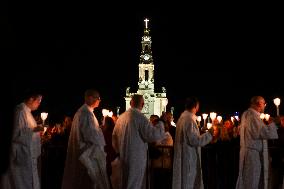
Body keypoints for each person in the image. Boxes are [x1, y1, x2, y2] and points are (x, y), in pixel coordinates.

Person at [112, 94, 166, 189]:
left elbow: (114, 138)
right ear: (143, 104)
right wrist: (161, 122)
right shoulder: (140, 117)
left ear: (130, 103)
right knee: (134, 184)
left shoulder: (121, 118)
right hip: (136, 158)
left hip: (123, 157)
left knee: (124, 183)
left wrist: (119, 152)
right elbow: (153, 135)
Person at [61, 89, 110, 189]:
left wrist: (99, 129)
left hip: (87, 153)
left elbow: (90, 131)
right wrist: (102, 130)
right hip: (87, 156)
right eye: (98, 98)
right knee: (88, 182)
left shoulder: (87, 112)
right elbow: (90, 136)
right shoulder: (85, 113)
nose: (99, 100)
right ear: (89, 98)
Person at [0, 91, 44, 189]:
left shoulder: (26, 112)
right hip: (20, 158)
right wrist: (34, 129)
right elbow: (15, 135)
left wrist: (36, 131)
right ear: (31, 99)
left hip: (28, 156)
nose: (39, 103)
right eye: (38, 100)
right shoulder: (20, 111)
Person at [235, 96, 279, 189]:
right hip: (252, 154)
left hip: (252, 153)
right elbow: (260, 132)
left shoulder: (250, 114)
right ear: (259, 103)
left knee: (252, 180)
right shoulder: (251, 115)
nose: (264, 106)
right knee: (251, 181)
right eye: (264, 104)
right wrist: (274, 123)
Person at [172, 96, 213, 189]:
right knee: (188, 182)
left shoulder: (182, 118)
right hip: (189, 157)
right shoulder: (189, 120)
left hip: (184, 156)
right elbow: (194, 140)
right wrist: (209, 134)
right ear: (196, 106)